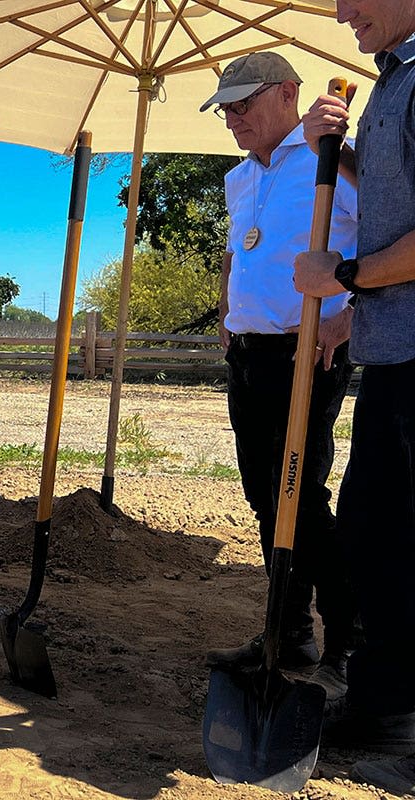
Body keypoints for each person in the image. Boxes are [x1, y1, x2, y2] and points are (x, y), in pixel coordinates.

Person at [197, 53, 361, 705]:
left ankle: (347, 644)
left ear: (289, 93)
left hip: (308, 353)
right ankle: (287, 633)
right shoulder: (241, 179)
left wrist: (344, 321)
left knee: (302, 496)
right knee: (265, 495)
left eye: (243, 104)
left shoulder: (332, 161)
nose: (232, 119)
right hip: (251, 356)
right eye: (226, 109)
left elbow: (382, 245)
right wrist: (229, 309)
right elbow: (242, 248)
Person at [292, 1, 415, 793]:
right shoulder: (393, 83)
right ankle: (385, 704)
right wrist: (332, 147)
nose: (340, 11)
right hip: (389, 346)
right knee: (375, 536)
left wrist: (344, 275)